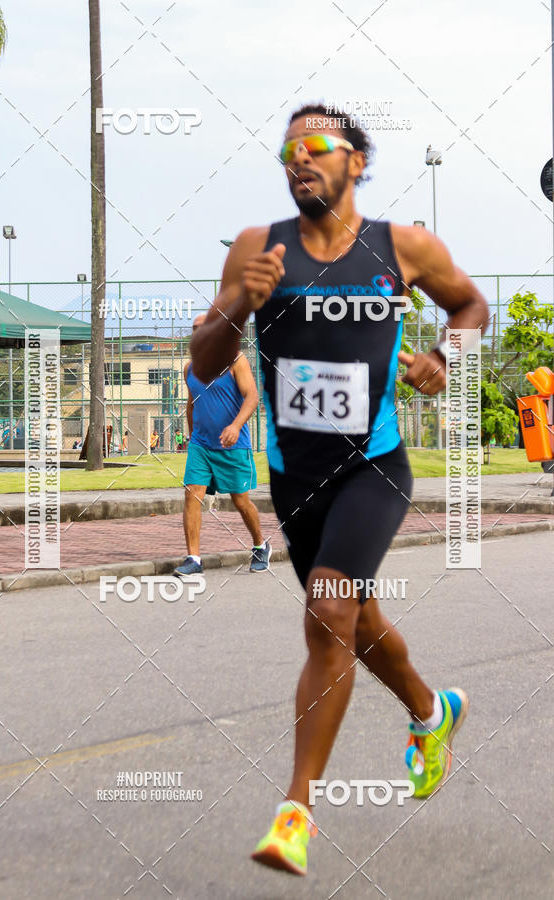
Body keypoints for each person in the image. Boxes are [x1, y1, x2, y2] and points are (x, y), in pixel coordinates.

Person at [190, 104, 490, 876]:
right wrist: (240, 303)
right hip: (295, 478)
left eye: (318, 145)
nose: (300, 157)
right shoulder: (258, 248)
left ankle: (294, 814)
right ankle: (431, 712)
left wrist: (445, 358)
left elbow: (470, 305)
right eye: (288, 149)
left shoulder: (403, 246)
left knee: (327, 612)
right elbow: (203, 361)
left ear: (356, 161)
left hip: (373, 468)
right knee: (355, 620)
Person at [174, 314, 271, 576]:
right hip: (201, 445)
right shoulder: (190, 368)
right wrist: (192, 438)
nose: (197, 332)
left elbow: (252, 396)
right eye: (193, 328)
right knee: (192, 493)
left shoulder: (235, 360)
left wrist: (236, 426)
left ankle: (260, 546)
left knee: (241, 501)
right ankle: (194, 559)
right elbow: (191, 404)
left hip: (233, 446)